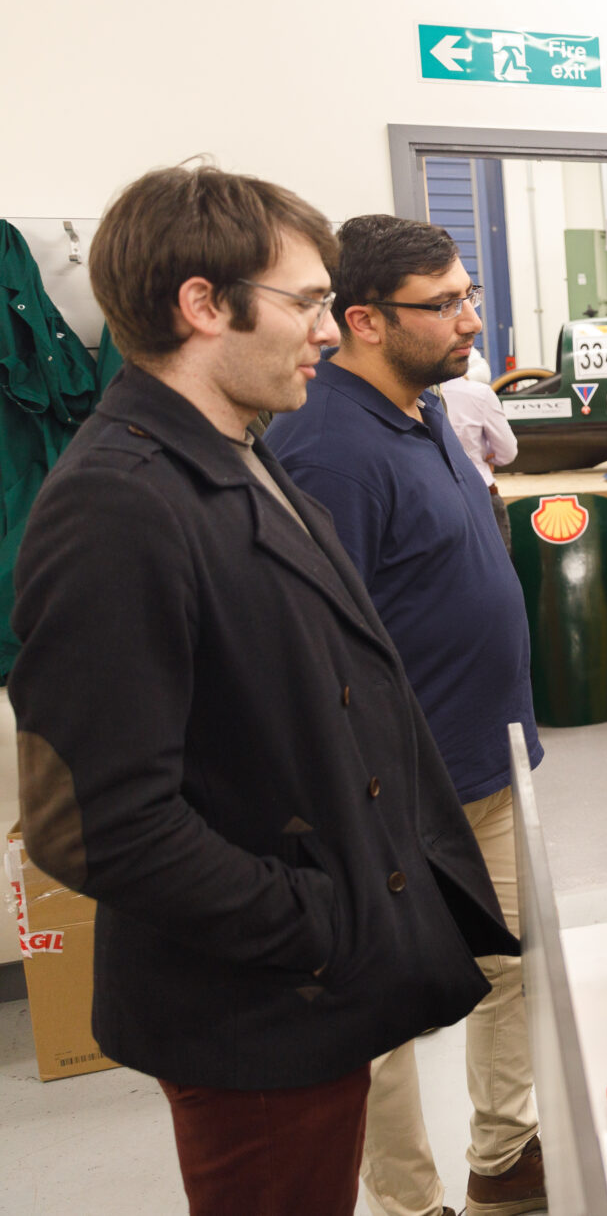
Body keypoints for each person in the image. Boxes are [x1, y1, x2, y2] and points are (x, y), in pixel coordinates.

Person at [9, 164, 515, 1216]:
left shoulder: (239, 452)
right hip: (257, 1010)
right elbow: (91, 825)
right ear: (203, 303)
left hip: (314, 986)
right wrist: (318, 922)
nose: (331, 332)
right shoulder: (114, 505)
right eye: (306, 302)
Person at [263, 215, 544, 1216]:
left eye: (469, 294)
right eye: (446, 305)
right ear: (363, 322)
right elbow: (317, 647)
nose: (470, 318)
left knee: (511, 968)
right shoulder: (325, 445)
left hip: (482, 763)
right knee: (382, 1017)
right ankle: (409, 1202)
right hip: (393, 791)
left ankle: (504, 1156)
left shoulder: (423, 409)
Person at [441, 345, 519, 554]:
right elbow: (508, 451)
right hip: (482, 491)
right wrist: (488, 456)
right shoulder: (480, 394)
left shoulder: (418, 395)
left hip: (438, 498)